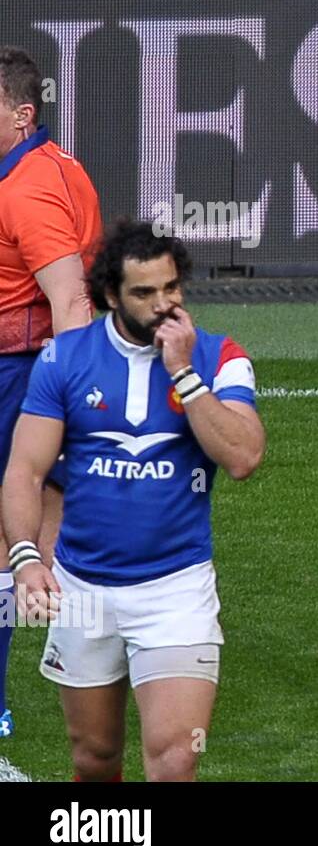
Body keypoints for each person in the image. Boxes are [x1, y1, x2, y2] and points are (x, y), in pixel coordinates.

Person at [2, 222, 265, 780]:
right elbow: (25, 471)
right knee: (94, 760)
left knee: (175, 758)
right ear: (111, 296)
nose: (164, 304)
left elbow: (242, 457)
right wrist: (25, 559)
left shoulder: (221, 357)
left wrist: (185, 375)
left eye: (171, 288)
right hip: (83, 590)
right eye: (145, 293)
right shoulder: (65, 360)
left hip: (176, 590)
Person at [0, 46, 100, 739]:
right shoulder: (56, 166)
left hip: (21, 372)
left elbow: (69, 300)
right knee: (42, 531)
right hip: (32, 367)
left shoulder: (28, 188)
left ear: (21, 114)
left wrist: (65, 399)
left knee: (20, 534)